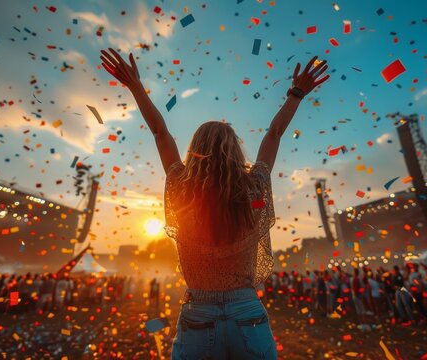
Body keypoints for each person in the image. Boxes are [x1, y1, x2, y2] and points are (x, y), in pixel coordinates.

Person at [100, 48, 328, 359]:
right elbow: (273, 135)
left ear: (195, 151)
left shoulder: (182, 187)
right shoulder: (253, 186)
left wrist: (135, 86)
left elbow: (159, 133)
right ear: (235, 151)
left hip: (198, 313)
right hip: (247, 309)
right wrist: (296, 94)